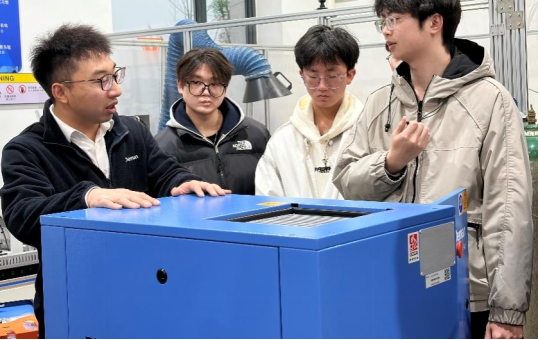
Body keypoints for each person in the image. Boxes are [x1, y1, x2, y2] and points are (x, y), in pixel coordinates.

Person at [333, 0, 532, 340]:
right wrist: (391, 163)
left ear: (434, 23)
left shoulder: (490, 101)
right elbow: (346, 182)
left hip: (465, 292)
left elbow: (508, 211)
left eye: (394, 19)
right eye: (382, 21)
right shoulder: (380, 103)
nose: (385, 31)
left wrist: (507, 310)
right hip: (391, 285)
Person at [0, 25, 230, 338]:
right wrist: (87, 197)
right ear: (61, 92)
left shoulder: (131, 132)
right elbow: (22, 215)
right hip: (75, 304)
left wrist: (184, 181)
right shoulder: (27, 149)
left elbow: (165, 172)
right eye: (102, 81)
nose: (116, 90)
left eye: (115, 75)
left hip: (144, 294)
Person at [255, 25, 363, 198]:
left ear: (350, 75)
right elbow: (267, 197)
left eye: (332, 76)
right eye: (313, 77)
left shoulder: (367, 133)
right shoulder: (283, 140)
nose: (322, 86)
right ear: (302, 75)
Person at [156, 48, 270, 195]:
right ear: (180, 85)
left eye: (215, 83)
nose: (206, 92)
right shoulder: (162, 145)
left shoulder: (256, 134)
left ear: (225, 88)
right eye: (196, 82)